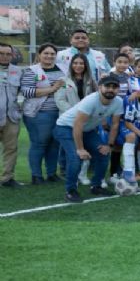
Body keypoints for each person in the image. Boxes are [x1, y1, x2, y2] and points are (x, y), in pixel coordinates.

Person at [53, 74, 124, 202]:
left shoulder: (118, 102)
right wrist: (80, 149)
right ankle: (71, 191)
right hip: (65, 127)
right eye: (107, 86)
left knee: (104, 153)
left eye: (114, 87)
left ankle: (96, 186)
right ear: (100, 87)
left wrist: (109, 145)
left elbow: (115, 124)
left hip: (86, 130)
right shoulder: (91, 100)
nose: (111, 89)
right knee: (75, 157)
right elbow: (77, 124)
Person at [21, 44, 67, 184]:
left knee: (54, 144)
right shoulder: (32, 71)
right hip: (39, 113)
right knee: (39, 144)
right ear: (39, 55)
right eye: (46, 53)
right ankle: (36, 176)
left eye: (52, 53)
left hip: (59, 113)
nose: (49, 56)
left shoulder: (63, 68)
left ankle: (51, 174)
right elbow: (27, 91)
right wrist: (52, 88)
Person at [0, 43, 23, 187]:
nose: (5, 56)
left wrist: (20, 103)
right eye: (1, 53)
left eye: (8, 54)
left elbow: (22, 91)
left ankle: (7, 178)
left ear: (12, 55)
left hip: (11, 117)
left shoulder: (18, 71)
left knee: (11, 148)